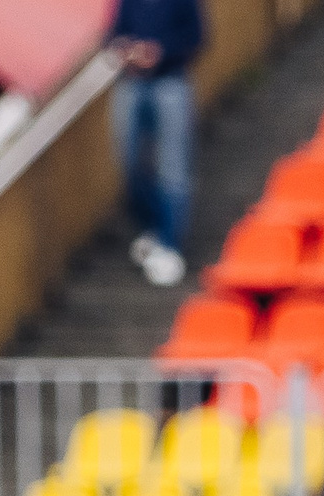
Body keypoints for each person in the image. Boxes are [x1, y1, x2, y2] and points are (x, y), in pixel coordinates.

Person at [108, 0, 204, 288]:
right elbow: (113, 34)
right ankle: (153, 226)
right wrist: (126, 50)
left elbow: (196, 37)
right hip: (132, 82)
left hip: (170, 82)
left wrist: (160, 52)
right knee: (129, 163)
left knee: (172, 168)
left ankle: (169, 242)